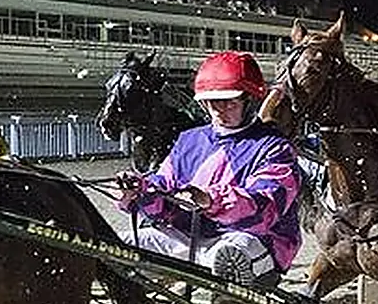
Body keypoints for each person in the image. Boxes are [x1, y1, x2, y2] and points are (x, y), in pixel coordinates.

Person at [117, 51, 302, 288]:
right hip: (187, 239)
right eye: (212, 102)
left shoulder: (275, 148)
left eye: (229, 101)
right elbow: (162, 188)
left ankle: (229, 302)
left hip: (252, 240)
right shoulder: (188, 140)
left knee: (229, 255)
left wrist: (209, 199)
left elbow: (265, 209)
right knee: (110, 245)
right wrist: (139, 191)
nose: (219, 109)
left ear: (250, 100)